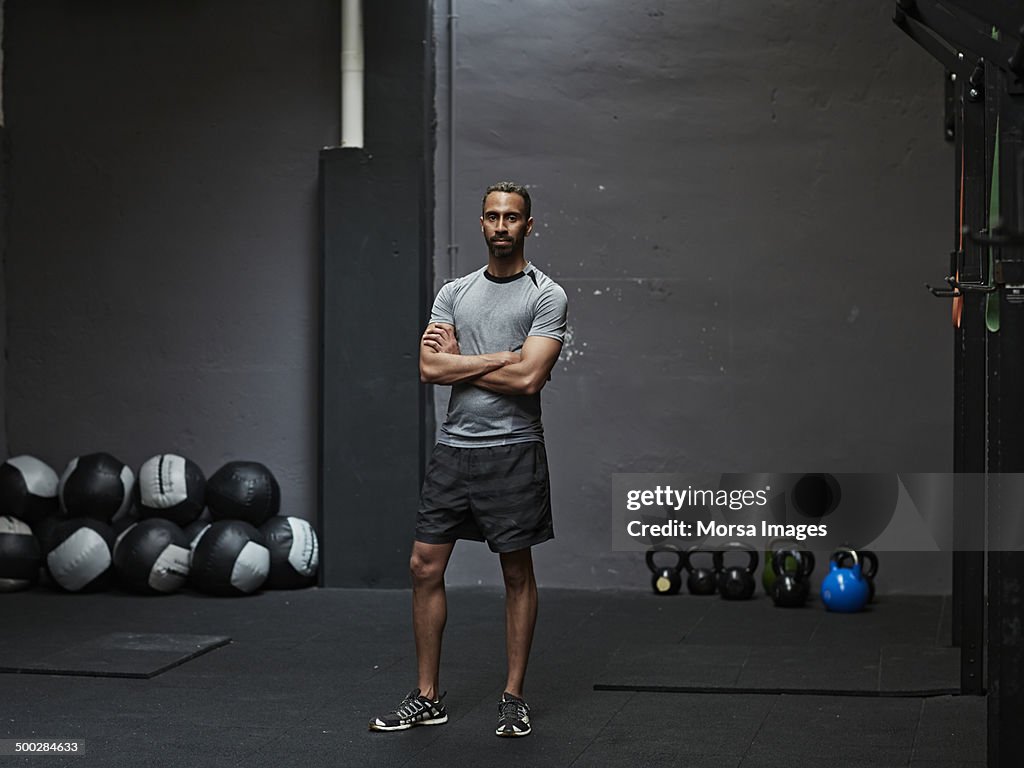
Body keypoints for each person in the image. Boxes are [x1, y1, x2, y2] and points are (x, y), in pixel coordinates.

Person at [369, 181, 568, 738]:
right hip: (454, 451)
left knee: (515, 572)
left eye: (512, 217)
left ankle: (513, 697)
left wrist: (467, 361)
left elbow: (530, 378)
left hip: (513, 451)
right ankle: (427, 696)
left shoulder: (546, 295)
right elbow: (430, 370)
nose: (501, 225)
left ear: (528, 226)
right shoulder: (454, 293)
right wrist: (502, 356)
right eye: (492, 216)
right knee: (423, 567)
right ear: (481, 224)